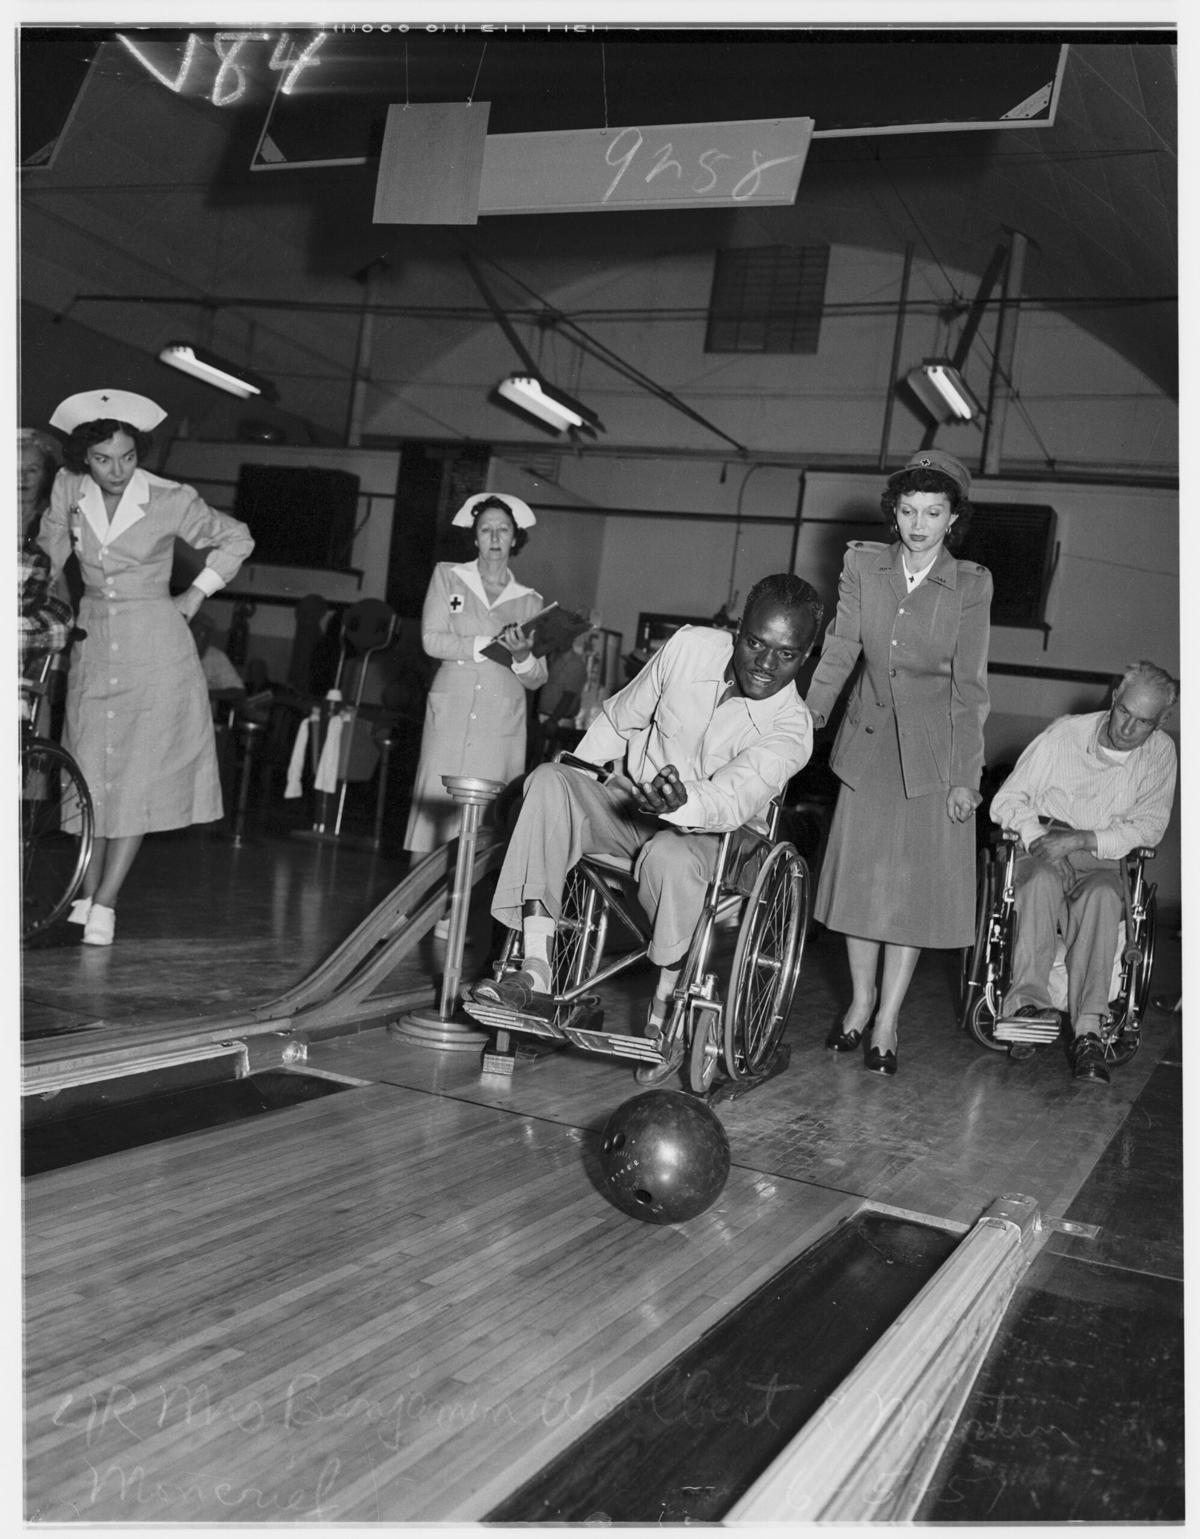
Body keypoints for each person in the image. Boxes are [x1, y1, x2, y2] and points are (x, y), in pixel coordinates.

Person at [470, 572, 823, 1083]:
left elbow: (733, 796)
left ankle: (666, 1005)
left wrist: (682, 803)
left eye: (786, 655)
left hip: (713, 840)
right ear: (737, 628)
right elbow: (619, 720)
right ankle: (537, 969)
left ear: (806, 655)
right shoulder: (687, 648)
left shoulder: (792, 728)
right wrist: (577, 777)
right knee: (549, 781)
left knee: (669, 855)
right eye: (754, 643)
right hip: (630, 808)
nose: (766, 665)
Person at [38, 389, 254, 946]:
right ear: (84, 457)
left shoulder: (169, 497)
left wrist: (194, 595)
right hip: (92, 639)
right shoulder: (67, 489)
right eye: (105, 458)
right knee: (90, 766)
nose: (118, 470)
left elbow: (236, 538)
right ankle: (83, 896)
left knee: (131, 776)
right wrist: (48, 599)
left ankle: (105, 903)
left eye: (128, 457)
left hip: (155, 645)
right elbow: (49, 553)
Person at [805, 449, 992, 1076]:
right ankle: (859, 1002)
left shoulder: (969, 584)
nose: (918, 524)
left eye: (932, 512)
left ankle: (888, 1017)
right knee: (861, 886)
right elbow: (840, 647)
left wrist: (967, 777)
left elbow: (970, 689)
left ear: (952, 517)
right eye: (908, 511)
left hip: (932, 753)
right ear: (895, 514)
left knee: (908, 895)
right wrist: (807, 717)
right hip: (868, 741)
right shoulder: (864, 565)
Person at [989, 661, 1178, 1084]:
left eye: (1143, 722)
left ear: (1161, 722)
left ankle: (1089, 1028)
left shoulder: (1161, 753)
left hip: (1102, 855)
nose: (1127, 729)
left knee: (1104, 898)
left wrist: (1079, 840)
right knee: (1036, 881)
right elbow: (1007, 800)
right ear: (1115, 697)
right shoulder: (1065, 734)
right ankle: (1025, 1008)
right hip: (1045, 844)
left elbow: (1148, 826)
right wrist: (1038, 834)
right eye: (1124, 712)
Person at [403, 493, 550, 860]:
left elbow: (537, 678)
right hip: (450, 712)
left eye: (503, 530)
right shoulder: (448, 577)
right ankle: (417, 913)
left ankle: (460, 914)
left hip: (499, 724)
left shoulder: (531, 602)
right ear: (475, 536)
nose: (495, 538)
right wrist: (487, 642)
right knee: (432, 813)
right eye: (486, 530)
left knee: (484, 823)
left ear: (516, 538)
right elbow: (431, 639)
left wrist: (520, 656)